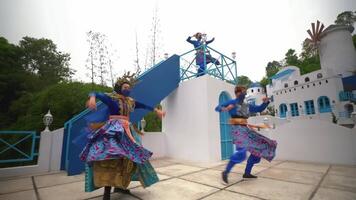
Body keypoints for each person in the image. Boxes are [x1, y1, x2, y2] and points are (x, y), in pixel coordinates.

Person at [79, 72, 165, 200]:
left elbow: (144, 105)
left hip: (127, 130)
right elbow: (95, 92)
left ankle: (120, 186)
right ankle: (106, 193)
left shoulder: (131, 101)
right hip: (113, 129)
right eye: (125, 87)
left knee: (128, 159)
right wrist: (92, 98)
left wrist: (156, 110)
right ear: (120, 88)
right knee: (111, 158)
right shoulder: (112, 98)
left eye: (129, 88)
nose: (127, 89)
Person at [215, 85, 277, 183]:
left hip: (246, 130)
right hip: (237, 130)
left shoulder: (246, 106)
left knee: (260, 148)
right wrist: (225, 109)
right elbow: (217, 107)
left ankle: (247, 173)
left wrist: (265, 102)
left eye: (245, 92)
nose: (244, 94)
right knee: (241, 152)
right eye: (243, 92)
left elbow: (258, 109)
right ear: (237, 93)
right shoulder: (231, 102)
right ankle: (225, 172)